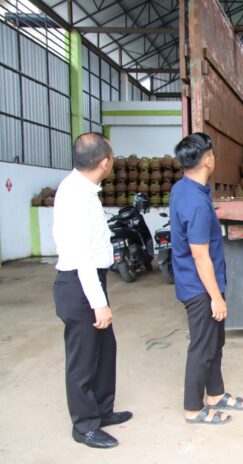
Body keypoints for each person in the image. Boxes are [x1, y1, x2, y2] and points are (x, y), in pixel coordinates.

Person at [52, 133, 132, 449]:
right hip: (78, 284)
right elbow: (81, 255)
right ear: (104, 162)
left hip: (90, 280)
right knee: (83, 358)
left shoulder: (84, 190)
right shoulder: (74, 195)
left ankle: (101, 410)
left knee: (104, 349)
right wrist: (98, 303)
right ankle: (84, 426)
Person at [170, 132, 243, 425]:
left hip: (201, 282)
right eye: (212, 154)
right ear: (207, 159)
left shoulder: (185, 188)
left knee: (215, 343)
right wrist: (216, 297)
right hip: (200, 287)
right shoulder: (196, 203)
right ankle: (193, 408)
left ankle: (215, 394)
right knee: (202, 348)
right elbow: (200, 256)